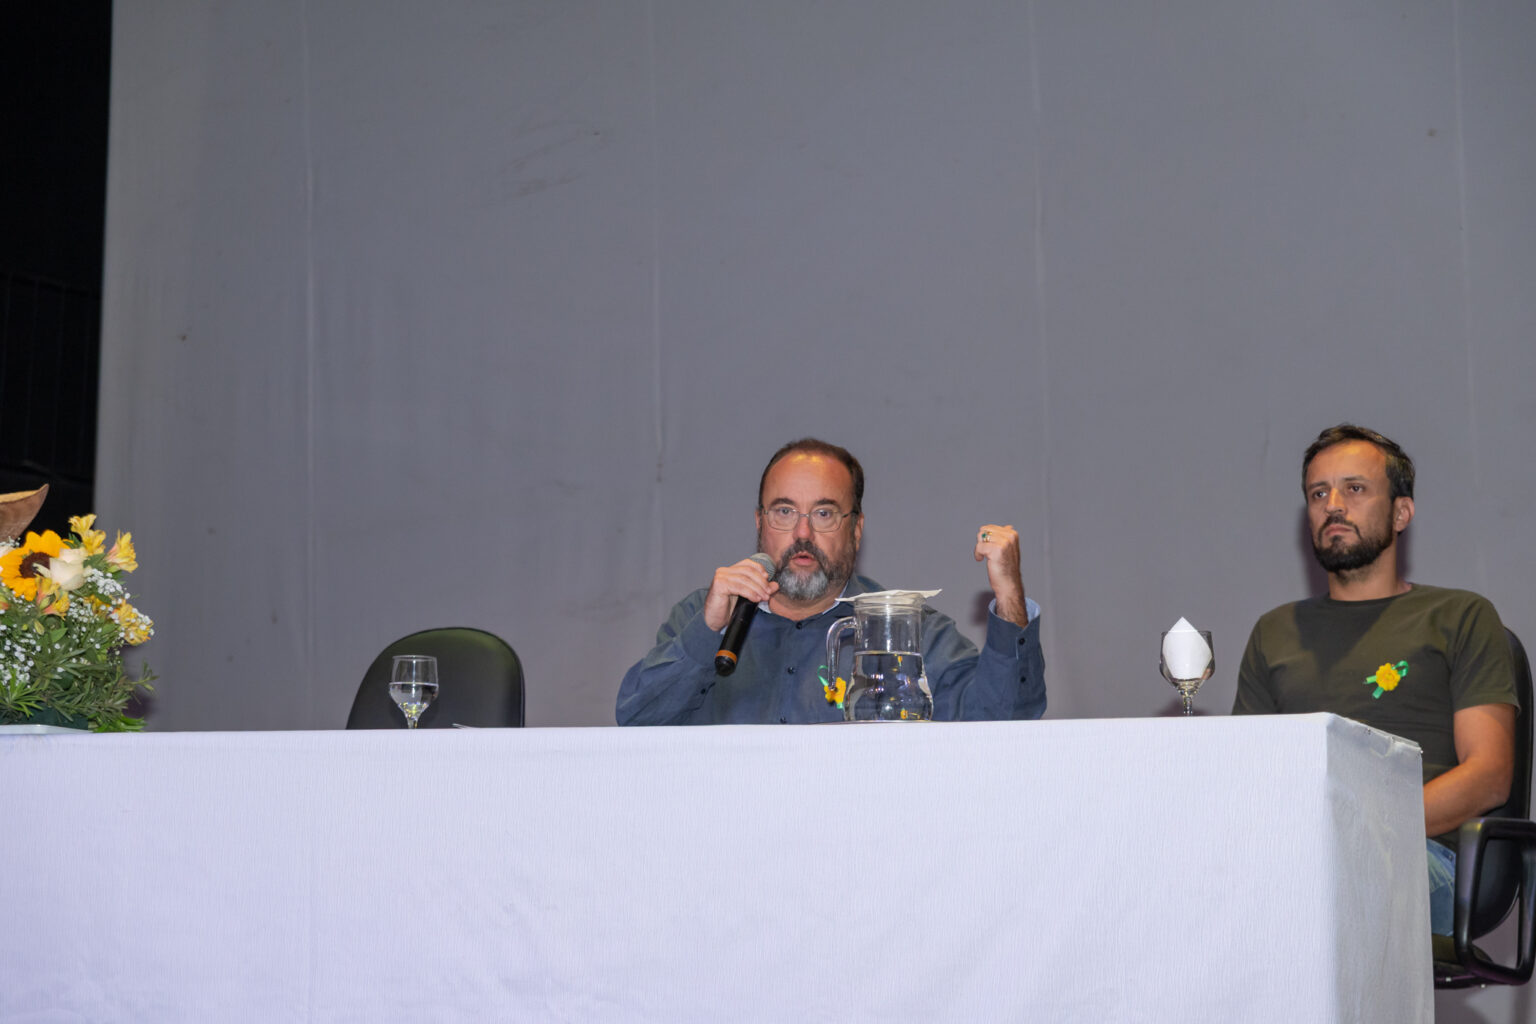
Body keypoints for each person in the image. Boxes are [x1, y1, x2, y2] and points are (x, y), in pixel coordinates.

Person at [1232, 424, 1518, 935]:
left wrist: (1357, 830)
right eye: (1318, 493)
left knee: (1326, 876)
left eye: (1355, 488)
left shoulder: (1459, 616)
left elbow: (1489, 776)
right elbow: (1248, 779)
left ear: (1401, 512)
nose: (1333, 505)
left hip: (1424, 859)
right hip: (1300, 858)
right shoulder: (1274, 632)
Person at [617, 438, 1046, 725]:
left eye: (823, 513)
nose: (802, 533)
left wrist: (1010, 595)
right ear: (760, 523)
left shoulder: (906, 626)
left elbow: (1004, 724)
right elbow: (636, 721)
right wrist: (708, 632)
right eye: (784, 512)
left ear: (856, 530)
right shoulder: (705, 616)